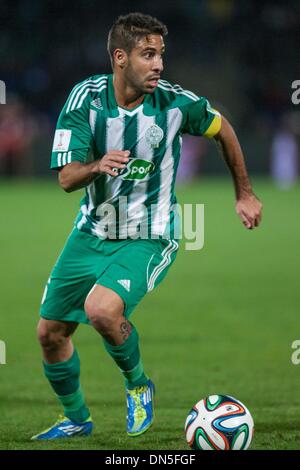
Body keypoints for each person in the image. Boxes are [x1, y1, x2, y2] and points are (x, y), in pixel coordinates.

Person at [32, 12, 262, 441]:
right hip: (93, 230)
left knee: (102, 310)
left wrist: (244, 193)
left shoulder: (176, 104)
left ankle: (138, 384)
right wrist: (98, 165)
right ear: (120, 58)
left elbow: (223, 129)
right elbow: (66, 178)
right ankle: (77, 418)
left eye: (161, 55)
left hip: (150, 232)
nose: (158, 64)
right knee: (50, 333)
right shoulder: (85, 99)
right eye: (147, 54)